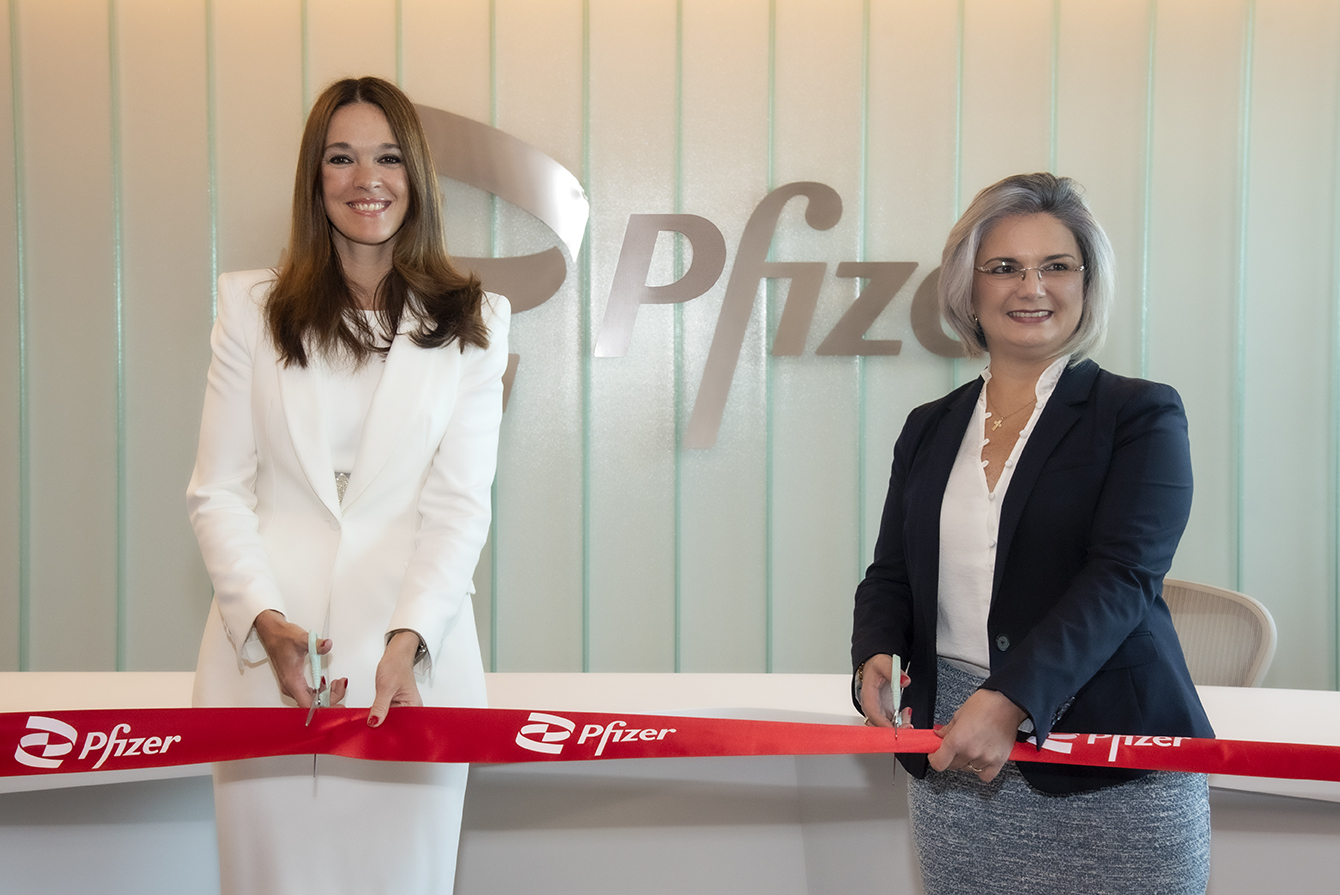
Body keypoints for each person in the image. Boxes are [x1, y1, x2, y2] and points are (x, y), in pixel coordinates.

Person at [188, 76, 508, 895]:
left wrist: (408, 639)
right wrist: (264, 619)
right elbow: (217, 490)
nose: (368, 179)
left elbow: (459, 506)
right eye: (342, 158)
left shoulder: (475, 320)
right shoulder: (249, 308)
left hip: (412, 676)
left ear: (416, 174)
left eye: (388, 157)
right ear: (315, 177)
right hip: (267, 673)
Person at [850, 173, 1213, 895]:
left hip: (1109, 765)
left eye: (1056, 265)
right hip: (957, 754)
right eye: (1004, 267)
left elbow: (1122, 579)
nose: (1031, 287)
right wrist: (875, 650)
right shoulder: (928, 427)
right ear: (969, 287)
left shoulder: (1139, 414)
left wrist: (1010, 698)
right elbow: (892, 571)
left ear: (1086, 282)